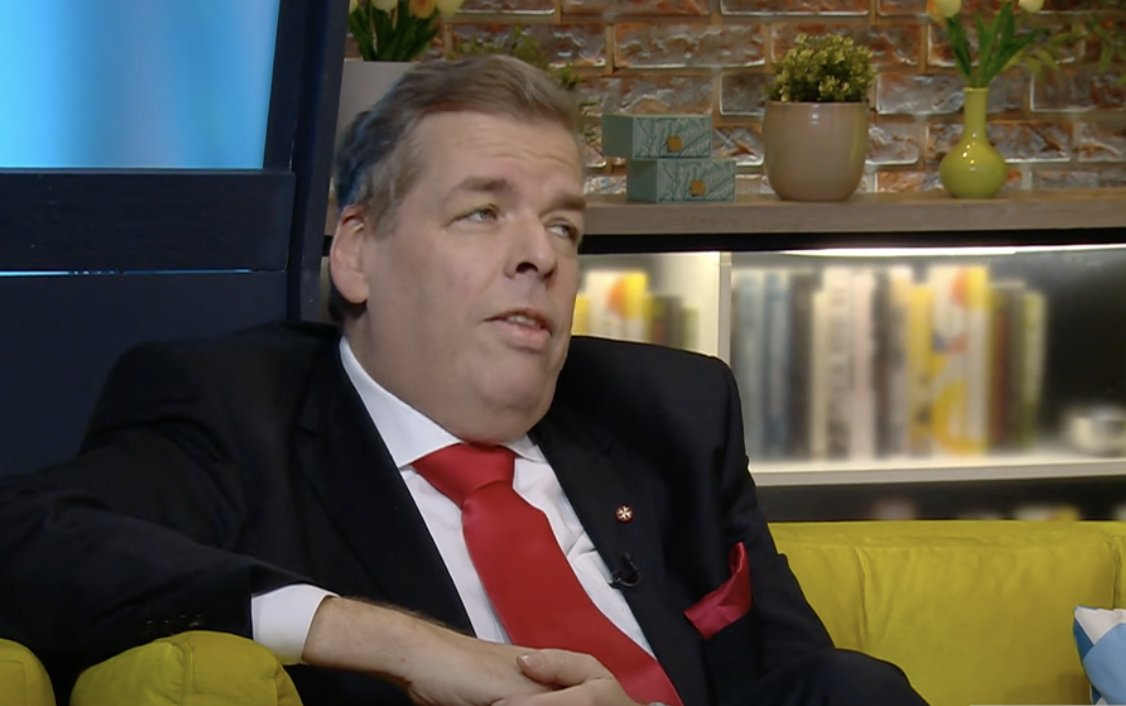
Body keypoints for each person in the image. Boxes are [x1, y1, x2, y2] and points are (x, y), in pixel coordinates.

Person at [0, 55, 929, 706]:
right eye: (483, 212)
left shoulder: (674, 412)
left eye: (563, 226)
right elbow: (22, 538)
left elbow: (791, 674)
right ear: (357, 253)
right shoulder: (236, 411)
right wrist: (404, 646)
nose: (540, 256)